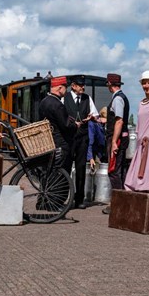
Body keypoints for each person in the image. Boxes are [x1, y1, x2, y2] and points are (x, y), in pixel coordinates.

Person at [62, 75, 98, 209]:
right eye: (80, 85)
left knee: (81, 168)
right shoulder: (64, 98)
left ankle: (79, 199)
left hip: (82, 137)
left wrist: (92, 117)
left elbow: (95, 114)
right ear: (73, 86)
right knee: (65, 167)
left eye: (84, 85)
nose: (83, 87)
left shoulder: (87, 98)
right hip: (69, 138)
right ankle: (63, 198)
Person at [101, 73, 129, 215]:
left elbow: (119, 121)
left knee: (114, 171)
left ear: (109, 85)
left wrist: (113, 142)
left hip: (116, 138)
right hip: (119, 136)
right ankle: (121, 202)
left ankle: (118, 205)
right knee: (119, 170)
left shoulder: (118, 99)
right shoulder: (120, 97)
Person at [38, 76, 79, 169]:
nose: (66, 90)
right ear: (60, 88)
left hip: (48, 142)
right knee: (60, 175)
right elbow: (66, 125)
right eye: (65, 87)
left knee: (49, 171)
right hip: (59, 144)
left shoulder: (44, 102)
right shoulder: (57, 104)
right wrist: (75, 125)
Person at [87, 107, 107, 171]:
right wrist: (90, 157)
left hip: (99, 153)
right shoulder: (93, 124)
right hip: (93, 153)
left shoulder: (101, 125)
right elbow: (90, 141)